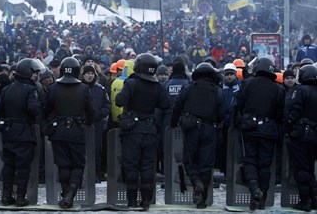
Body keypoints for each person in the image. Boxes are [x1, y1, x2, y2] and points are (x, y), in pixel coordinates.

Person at [115, 53, 170, 210]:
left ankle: (132, 200)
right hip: (150, 129)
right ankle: (146, 200)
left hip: (132, 130)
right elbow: (165, 104)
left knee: (131, 165)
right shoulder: (157, 86)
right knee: (148, 166)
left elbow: (120, 101)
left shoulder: (131, 83)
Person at [171, 62, 226, 209]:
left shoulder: (188, 87)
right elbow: (222, 114)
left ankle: (196, 183)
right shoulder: (218, 91)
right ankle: (203, 200)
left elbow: (177, 106)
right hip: (209, 130)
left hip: (191, 129)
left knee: (189, 161)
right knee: (206, 165)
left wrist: (173, 124)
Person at [41, 57, 94, 209]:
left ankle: (66, 196)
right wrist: (88, 122)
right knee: (78, 164)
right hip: (77, 130)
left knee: (63, 164)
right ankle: (70, 195)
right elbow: (90, 110)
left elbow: (45, 110)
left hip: (58, 130)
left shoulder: (53, 88)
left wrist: (48, 125)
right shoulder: (84, 89)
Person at [234, 57, 285, 211]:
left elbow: (238, 104)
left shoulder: (248, 83)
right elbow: (280, 113)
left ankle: (254, 189)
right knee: (265, 165)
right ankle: (261, 196)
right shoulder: (278, 89)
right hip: (269, 130)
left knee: (250, 161)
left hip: (250, 128)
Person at [0, 59, 42, 206]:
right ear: (28, 72)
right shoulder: (30, 89)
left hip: (9, 133)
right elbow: (33, 109)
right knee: (23, 167)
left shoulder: (7, 88)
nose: (36, 75)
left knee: (8, 166)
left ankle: (6, 196)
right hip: (24, 133)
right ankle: (20, 197)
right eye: (34, 72)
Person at [285, 65, 317, 211]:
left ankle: (305, 201)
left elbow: (294, 111)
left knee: (302, 169)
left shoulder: (301, 90)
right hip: (314, 135)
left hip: (302, 135)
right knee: (311, 169)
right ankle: (315, 199)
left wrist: (289, 127)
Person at [81, 65, 110, 182]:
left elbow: (107, 106)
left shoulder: (100, 89)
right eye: (87, 73)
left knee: (96, 149)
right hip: (81, 124)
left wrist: (98, 115)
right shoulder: (79, 88)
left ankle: (96, 174)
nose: (89, 75)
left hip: (96, 124)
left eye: (92, 73)